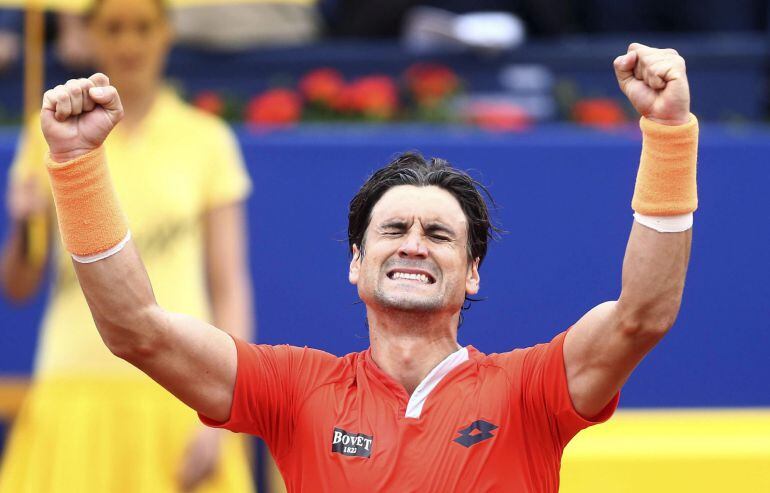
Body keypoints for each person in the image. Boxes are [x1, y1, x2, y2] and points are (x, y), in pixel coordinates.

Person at [34, 42, 696, 491]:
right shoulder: (294, 390)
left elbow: (641, 315)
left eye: (439, 233)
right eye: (394, 229)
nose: (413, 243)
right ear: (357, 262)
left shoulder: (531, 391)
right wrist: (75, 166)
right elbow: (135, 329)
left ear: (471, 273)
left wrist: (667, 134)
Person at [0, 0, 255, 491]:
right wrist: (22, 226)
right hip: (72, 387)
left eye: (144, 27)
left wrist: (228, 405)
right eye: (113, 28)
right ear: (90, 37)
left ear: (167, 34)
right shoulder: (51, 135)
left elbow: (229, 286)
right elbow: (19, 285)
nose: (130, 43)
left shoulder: (208, 140)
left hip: (182, 389)